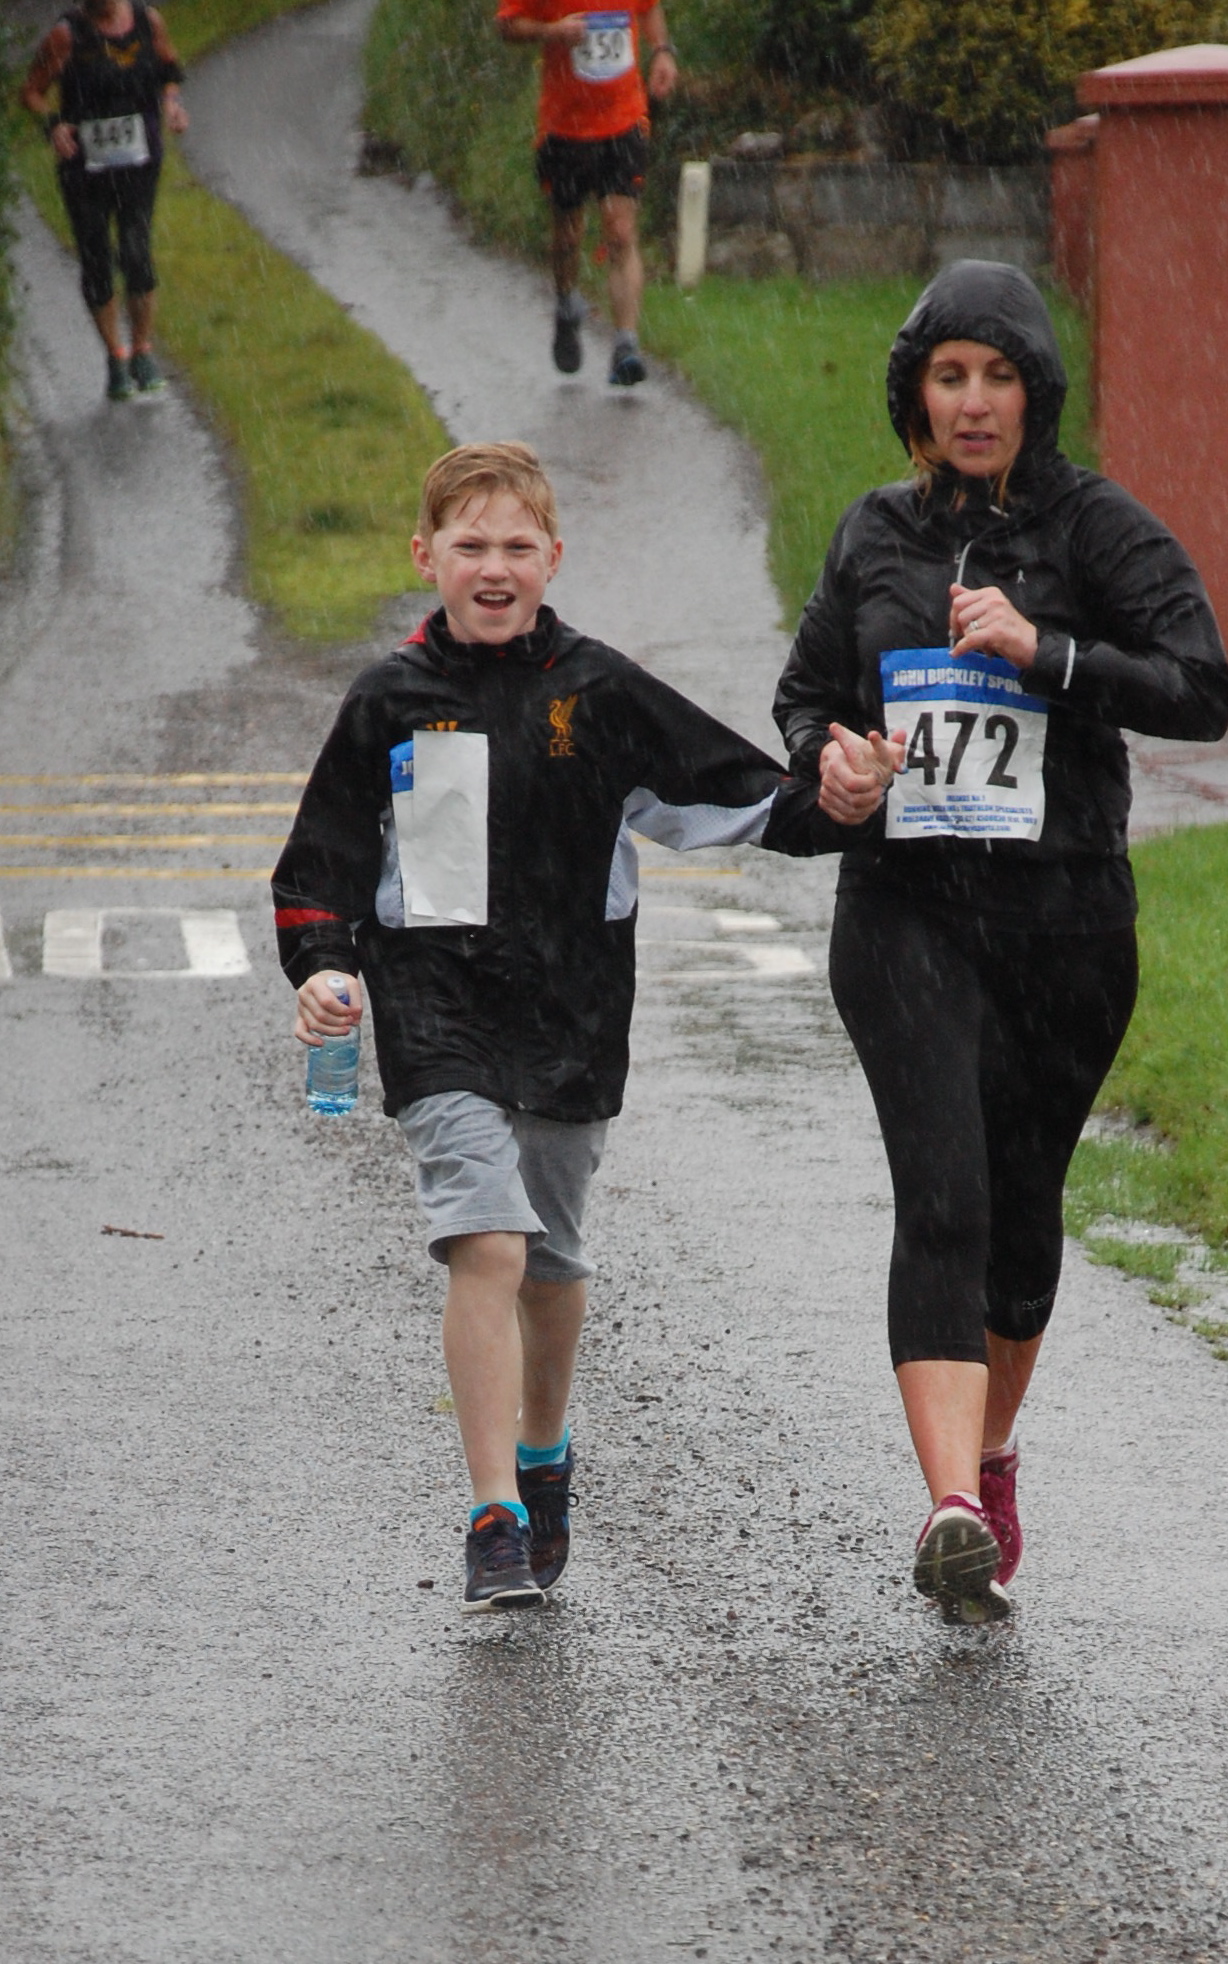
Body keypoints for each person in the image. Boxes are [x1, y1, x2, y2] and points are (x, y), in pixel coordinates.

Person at [272, 441, 862, 1613]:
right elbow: (321, 860)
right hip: (436, 1006)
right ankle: (493, 1509)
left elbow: (739, 794)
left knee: (545, 1256)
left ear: (552, 556)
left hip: (570, 1009)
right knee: (484, 1237)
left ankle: (544, 1450)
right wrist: (324, 963)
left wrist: (838, 802)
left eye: (516, 546)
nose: (493, 568)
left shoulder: (598, 693)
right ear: (426, 555)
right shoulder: (389, 701)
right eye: (469, 545)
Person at [773, 261, 1228, 1625]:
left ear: (1037, 392)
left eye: (998, 377)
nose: (973, 403)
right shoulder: (874, 534)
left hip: (1067, 922)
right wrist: (832, 761)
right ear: (915, 394)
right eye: (948, 377)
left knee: (1022, 1228)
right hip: (906, 910)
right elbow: (805, 695)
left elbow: (1203, 687)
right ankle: (950, 1510)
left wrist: (1049, 653)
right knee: (946, 1202)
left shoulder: (1099, 529)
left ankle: (990, 1455)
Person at [496, 0, 677, 385]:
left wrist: (662, 51)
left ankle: (626, 345)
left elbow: (649, 8)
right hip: (565, 127)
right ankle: (567, 306)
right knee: (567, 234)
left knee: (621, 233)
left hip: (624, 120)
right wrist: (552, 31)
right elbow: (508, 25)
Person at [20, 0, 188, 402]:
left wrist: (171, 103)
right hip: (84, 168)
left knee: (136, 252)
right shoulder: (67, 35)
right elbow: (31, 92)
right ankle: (115, 355)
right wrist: (54, 124)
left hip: (139, 160)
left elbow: (169, 71)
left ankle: (142, 350)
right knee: (96, 258)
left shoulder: (147, 22)